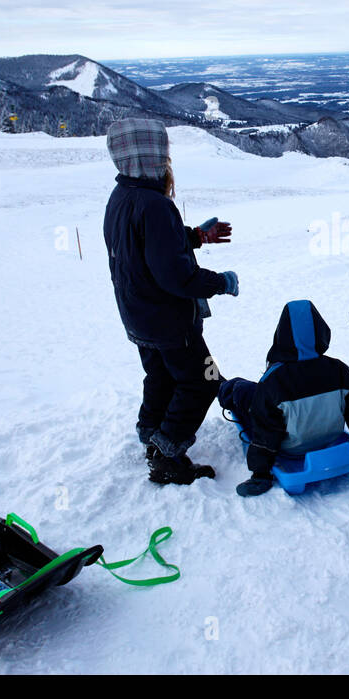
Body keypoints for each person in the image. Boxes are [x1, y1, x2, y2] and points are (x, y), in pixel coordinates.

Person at [103, 117, 239, 485]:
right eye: (164, 156)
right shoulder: (156, 205)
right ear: (150, 157)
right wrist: (220, 283)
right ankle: (167, 454)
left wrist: (195, 236)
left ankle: (150, 433)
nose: (167, 164)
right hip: (169, 321)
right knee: (202, 380)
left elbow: (147, 246)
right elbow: (175, 276)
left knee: (161, 374)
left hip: (138, 317)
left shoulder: (121, 198)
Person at [218, 300, 349, 497]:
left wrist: (260, 473)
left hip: (292, 449)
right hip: (331, 439)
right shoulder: (339, 370)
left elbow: (265, 429)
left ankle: (223, 387)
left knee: (242, 390)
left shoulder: (274, 381)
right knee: (259, 394)